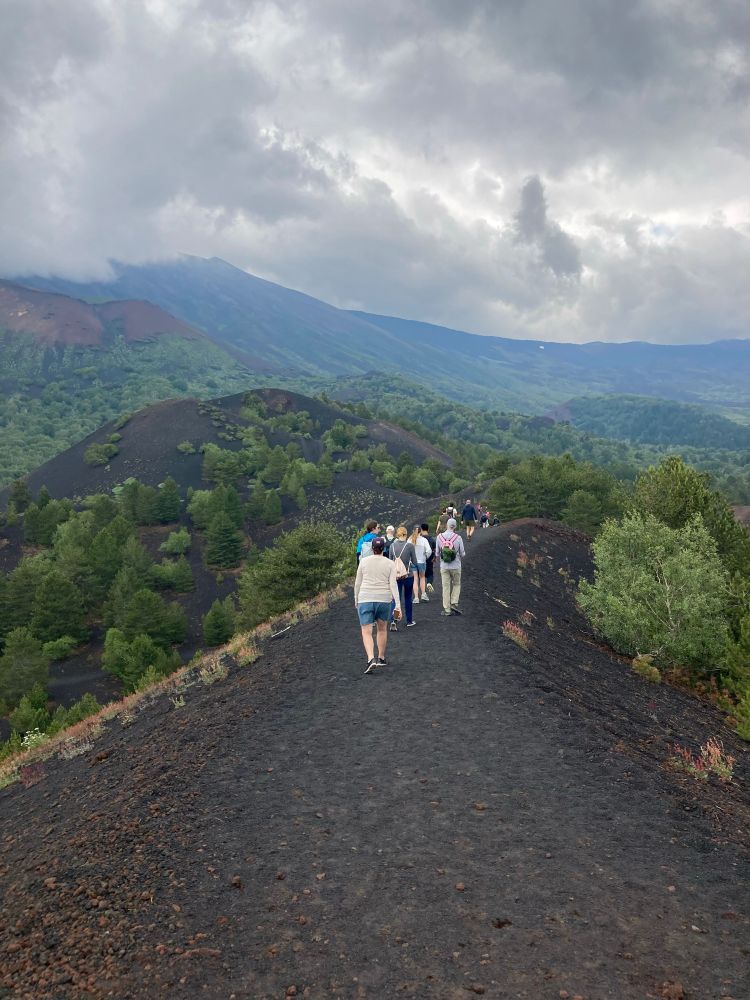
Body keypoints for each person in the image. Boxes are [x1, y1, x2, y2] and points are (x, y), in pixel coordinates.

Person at [354, 536, 402, 673]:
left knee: (366, 631)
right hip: (383, 599)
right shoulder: (390, 563)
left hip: (365, 598)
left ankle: (371, 658)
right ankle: (381, 657)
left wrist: (356, 599)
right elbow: (393, 585)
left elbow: (357, 583)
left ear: (372, 548)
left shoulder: (363, 562)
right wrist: (398, 605)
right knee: (382, 629)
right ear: (384, 548)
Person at [436, 517, 466, 616]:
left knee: (446, 587)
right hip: (456, 565)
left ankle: (447, 610)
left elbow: (437, 553)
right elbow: (462, 554)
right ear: (455, 526)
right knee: (457, 584)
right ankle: (454, 603)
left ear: (447, 525)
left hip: (444, 566)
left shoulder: (439, 537)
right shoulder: (458, 538)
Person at [389, 525, 417, 628]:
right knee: (408, 598)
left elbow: (390, 562)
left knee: (396, 599)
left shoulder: (392, 546)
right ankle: (409, 621)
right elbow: (415, 562)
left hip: (396, 577)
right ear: (405, 534)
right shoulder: (410, 546)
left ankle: (394, 620)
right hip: (408, 576)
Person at [410, 524, 433, 603]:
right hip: (422, 562)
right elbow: (429, 551)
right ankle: (423, 594)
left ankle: (416, 598)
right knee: (422, 578)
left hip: (413, 562)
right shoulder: (423, 540)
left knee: (415, 579)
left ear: (413, 530)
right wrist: (425, 557)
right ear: (421, 531)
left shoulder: (410, 540)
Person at [421, 522, 436, 594]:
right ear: (428, 529)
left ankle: (422, 591)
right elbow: (435, 550)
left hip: (420, 559)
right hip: (430, 559)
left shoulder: (419, 539)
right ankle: (429, 583)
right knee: (430, 574)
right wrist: (435, 558)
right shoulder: (432, 539)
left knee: (421, 576)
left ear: (421, 529)